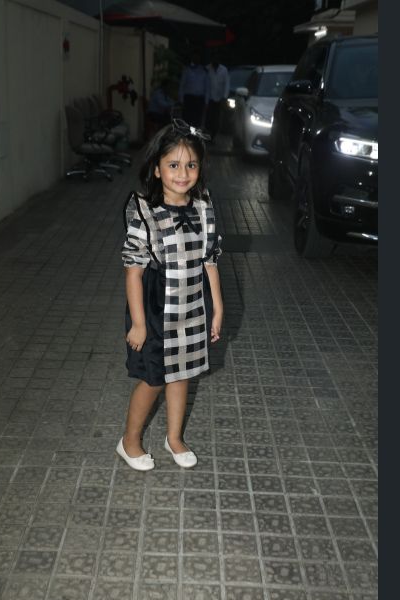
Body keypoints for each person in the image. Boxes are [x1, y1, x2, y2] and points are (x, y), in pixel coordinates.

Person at [117, 119, 224, 471]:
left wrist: (218, 308)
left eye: (191, 165)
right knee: (154, 379)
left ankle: (174, 438)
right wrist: (138, 323)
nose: (183, 173)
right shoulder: (144, 210)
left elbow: (210, 260)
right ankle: (129, 441)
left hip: (192, 304)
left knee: (183, 373)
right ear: (157, 169)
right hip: (155, 307)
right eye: (173, 165)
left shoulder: (204, 206)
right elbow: (133, 271)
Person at [178, 51, 209, 129]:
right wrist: (181, 99)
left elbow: (207, 87)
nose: (196, 59)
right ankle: (186, 134)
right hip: (189, 98)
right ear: (192, 58)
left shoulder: (204, 71)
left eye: (198, 57)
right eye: (195, 57)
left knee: (197, 120)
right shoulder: (187, 70)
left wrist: (206, 101)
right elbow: (182, 85)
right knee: (186, 119)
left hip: (199, 99)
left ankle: (194, 135)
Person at [205, 55, 229, 140]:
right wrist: (206, 101)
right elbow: (206, 85)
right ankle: (207, 135)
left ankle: (213, 136)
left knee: (217, 119)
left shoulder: (224, 70)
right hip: (209, 98)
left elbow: (226, 84)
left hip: (219, 99)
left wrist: (224, 97)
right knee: (208, 118)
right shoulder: (207, 69)